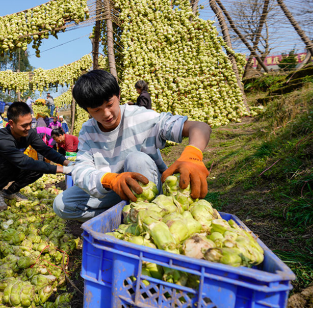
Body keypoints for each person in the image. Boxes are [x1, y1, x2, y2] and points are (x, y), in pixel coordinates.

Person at [53, 70, 212, 222]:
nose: (107, 114)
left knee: (137, 159)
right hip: (115, 187)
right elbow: (81, 169)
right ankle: (129, 216)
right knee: (62, 205)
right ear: (87, 110)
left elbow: (200, 127)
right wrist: (111, 180)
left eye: (109, 104)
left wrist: (193, 155)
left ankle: (152, 213)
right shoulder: (88, 130)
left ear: (118, 96)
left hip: (148, 185)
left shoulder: (142, 117)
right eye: (97, 110)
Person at [0, 102, 73, 211]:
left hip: (8, 167)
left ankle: (10, 192)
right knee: (13, 159)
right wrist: (64, 170)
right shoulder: (2, 139)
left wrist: (68, 163)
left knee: (37, 169)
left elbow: (45, 150)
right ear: (11, 123)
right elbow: (24, 162)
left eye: (30, 123)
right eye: (24, 125)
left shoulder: (29, 133)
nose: (28, 128)